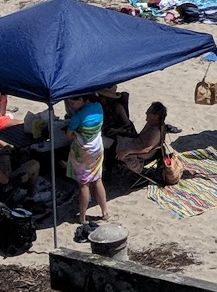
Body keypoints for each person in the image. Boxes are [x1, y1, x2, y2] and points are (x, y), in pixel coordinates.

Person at [64, 94, 109, 240]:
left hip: (83, 151)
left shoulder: (77, 117)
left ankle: (82, 217)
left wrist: (75, 133)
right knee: (98, 179)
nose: (71, 105)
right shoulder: (98, 107)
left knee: (84, 184)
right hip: (97, 147)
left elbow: (68, 135)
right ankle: (105, 212)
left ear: (82, 99)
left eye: (73, 101)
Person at [114, 102, 169, 173]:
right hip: (136, 145)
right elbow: (140, 136)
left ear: (156, 116)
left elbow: (147, 149)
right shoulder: (151, 124)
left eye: (149, 112)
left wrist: (129, 150)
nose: (146, 113)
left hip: (142, 153)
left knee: (113, 148)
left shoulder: (156, 131)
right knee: (114, 140)